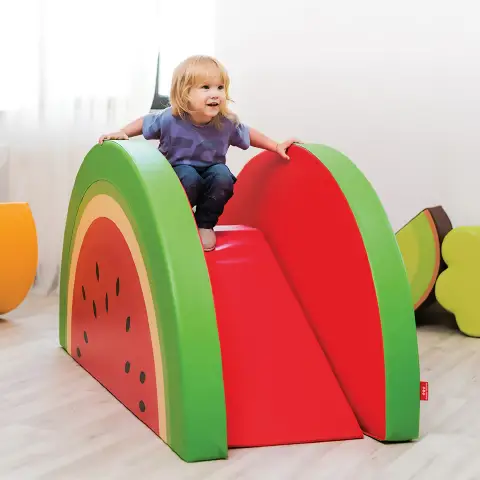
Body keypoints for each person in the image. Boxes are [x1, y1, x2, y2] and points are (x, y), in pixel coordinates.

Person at [99, 55, 298, 251]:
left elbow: (248, 134)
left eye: (220, 87)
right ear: (185, 93)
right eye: (206, 87)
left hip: (210, 171)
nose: (215, 94)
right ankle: (180, 222)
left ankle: (205, 224)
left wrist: (276, 145)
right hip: (174, 172)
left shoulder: (225, 122)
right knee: (189, 176)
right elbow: (145, 122)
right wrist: (123, 132)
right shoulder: (170, 118)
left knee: (223, 176)